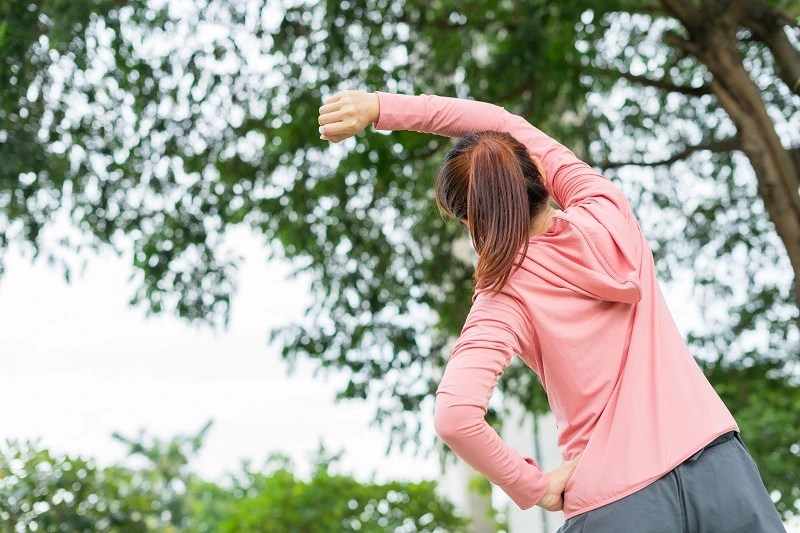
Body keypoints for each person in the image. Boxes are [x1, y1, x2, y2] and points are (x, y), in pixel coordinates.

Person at [317, 89, 787, 532]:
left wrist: (534, 487)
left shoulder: (502, 297)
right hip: (721, 469)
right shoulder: (607, 209)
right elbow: (499, 121)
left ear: (470, 221)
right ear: (540, 174)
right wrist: (378, 107)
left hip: (617, 503)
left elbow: (455, 416)